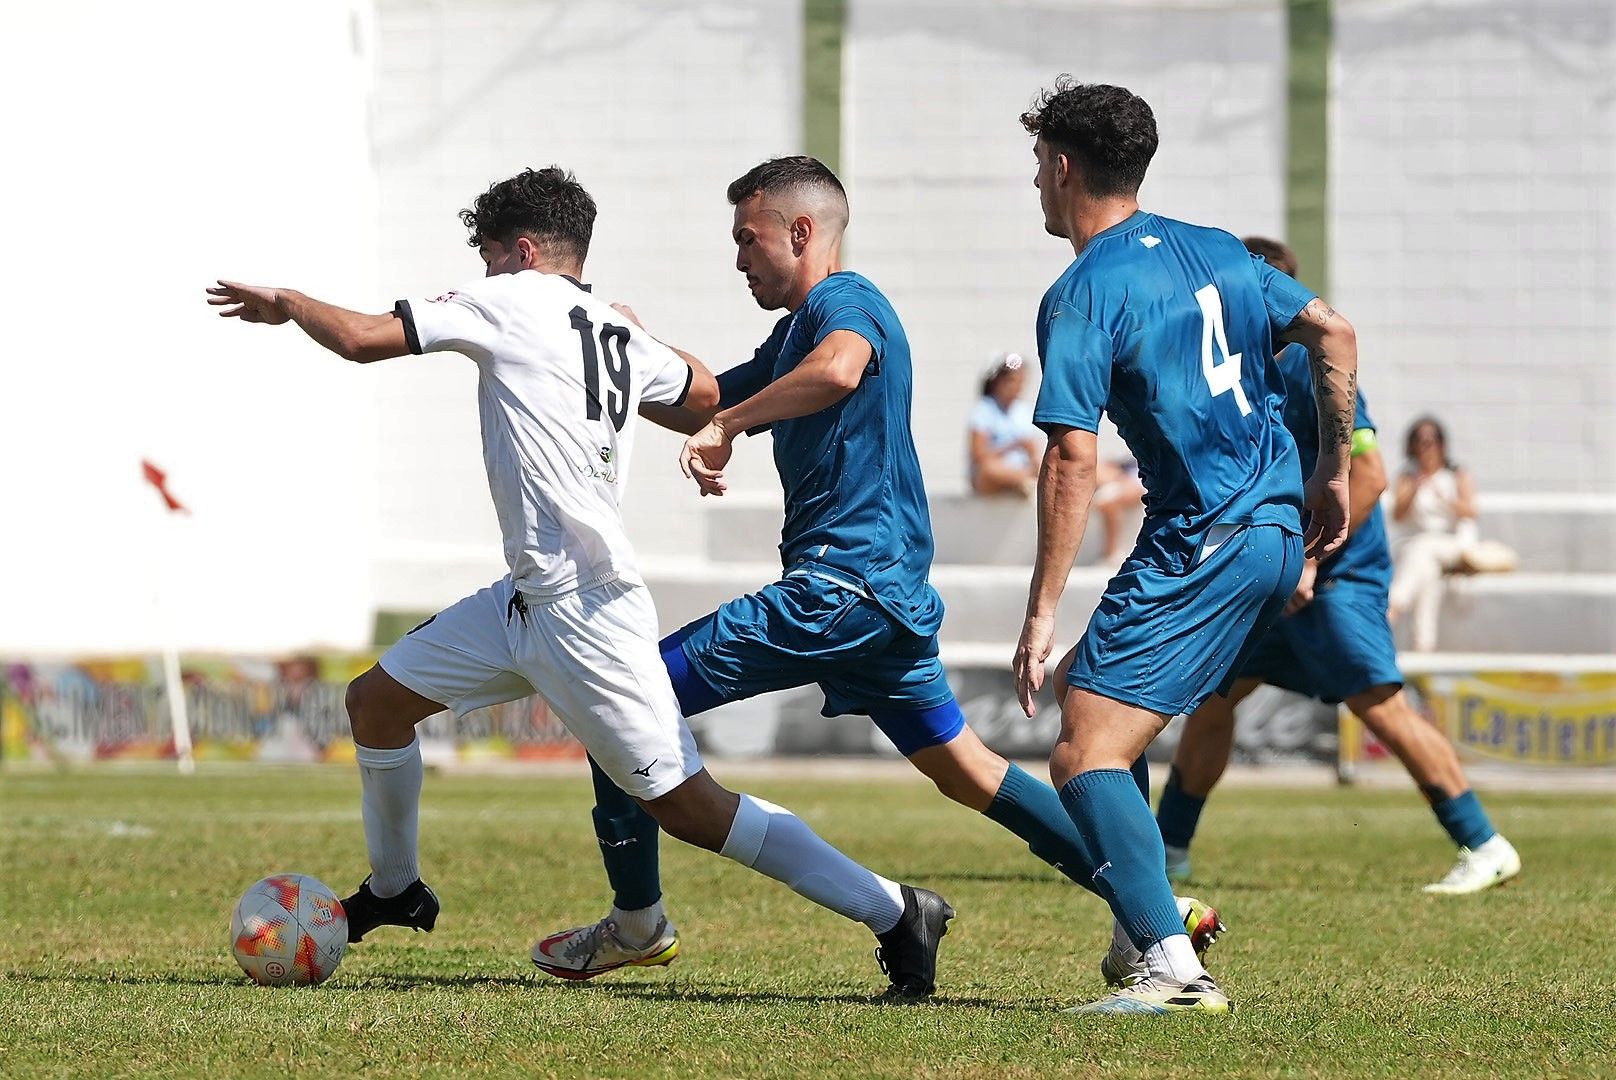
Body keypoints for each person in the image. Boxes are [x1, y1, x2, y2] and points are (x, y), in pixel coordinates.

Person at [205, 166, 950, 998]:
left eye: (489, 256)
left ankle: (895, 910)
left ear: (522, 252)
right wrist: (651, 347)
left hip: (588, 614)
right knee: (375, 704)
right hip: (523, 601)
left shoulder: (510, 298)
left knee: (691, 808)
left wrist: (292, 303)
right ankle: (394, 889)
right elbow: (699, 393)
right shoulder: (606, 326)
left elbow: (363, 337)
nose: (482, 276)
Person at [533, 157, 1224, 993]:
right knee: (970, 772)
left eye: (747, 240)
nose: (739, 259)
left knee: (625, 699)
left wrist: (732, 427)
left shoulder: (844, 300)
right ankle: (1159, 911)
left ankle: (637, 922)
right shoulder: (794, 334)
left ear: (801, 232)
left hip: (840, 589)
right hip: (881, 603)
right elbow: (703, 397)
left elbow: (839, 368)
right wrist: (624, 347)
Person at [1010, 80, 1357, 1015]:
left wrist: (1042, 608)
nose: (1036, 182)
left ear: (1065, 166)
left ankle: (1171, 967)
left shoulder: (1082, 290)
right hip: (1271, 531)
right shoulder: (1219, 250)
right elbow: (1332, 331)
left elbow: (1072, 455)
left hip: (1205, 535)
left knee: (1082, 754)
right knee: (1112, 720)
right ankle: (1140, 934)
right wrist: (1330, 469)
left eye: (1039, 164)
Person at [1156, 239, 1521, 898]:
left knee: (1380, 707)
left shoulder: (1310, 362)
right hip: (1278, 572)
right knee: (1213, 700)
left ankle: (1485, 844)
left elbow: (1373, 475)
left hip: (1337, 573)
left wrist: (1310, 562)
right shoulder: (1230, 369)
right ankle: (1168, 852)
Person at [1388, 418, 1513, 649]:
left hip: (1451, 544)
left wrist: (1447, 501)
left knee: (1425, 548)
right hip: (1418, 547)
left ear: (1441, 444)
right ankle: (1422, 648)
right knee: (1428, 577)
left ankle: (1394, 605)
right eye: (1420, 441)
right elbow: (1398, 515)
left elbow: (1471, 511)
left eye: (1431, 441)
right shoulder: (1407, 476)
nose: (1426, 447)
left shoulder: (1456, 474)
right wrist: (1415, 488)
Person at [968, 352, 1042, 497]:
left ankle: (1024, 482)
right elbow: (979, 455)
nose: (1017, 386)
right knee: (989, 469)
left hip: (1022, 469)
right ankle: (1023, 481)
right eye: (1011, 380)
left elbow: (1033, 449)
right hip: (991, 476)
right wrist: (1013, 445)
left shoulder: (1023, 411)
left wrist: (1033, 457)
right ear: (997, 381)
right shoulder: (984, 409)